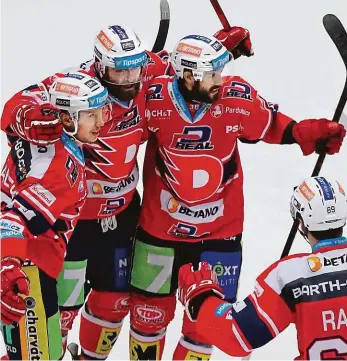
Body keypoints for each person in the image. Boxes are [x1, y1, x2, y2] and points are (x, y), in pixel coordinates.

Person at [1, 23, 252, 359]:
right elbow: (15, 108)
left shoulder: (145, 70)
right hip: (73, 220)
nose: (130, 81)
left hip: (121, 215)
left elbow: (186, 68)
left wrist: (220, 48)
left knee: (115, 301)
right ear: (99, 66)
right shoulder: (73, 87)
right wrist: (28, 115)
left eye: (135, 69)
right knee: (62, 311)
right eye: (119, 74)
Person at [128, 34, 346, 361]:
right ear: (188, 76)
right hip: (160, 231)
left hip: (219, 233)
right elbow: (118, 134)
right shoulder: (154, 98)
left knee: (206, 328)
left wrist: (306, 133)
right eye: (211, 74)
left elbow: (270, 125)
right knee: (148, 318)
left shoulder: (236, 97)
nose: (221, 79)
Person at [178, 176, 347, 360]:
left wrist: (202, 300)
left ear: (301, 223)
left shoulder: (291, 276)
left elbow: (236, 337)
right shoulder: (290, 275)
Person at [0, 72, 108, 360]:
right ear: (68, 118)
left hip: (29, 265)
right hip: (27, 272)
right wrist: (9, 269)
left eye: (100, 111)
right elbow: (14, 218)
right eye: (90, 115)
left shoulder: (41, 130)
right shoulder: (60, 168)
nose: (101, 122)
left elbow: (19, 108)